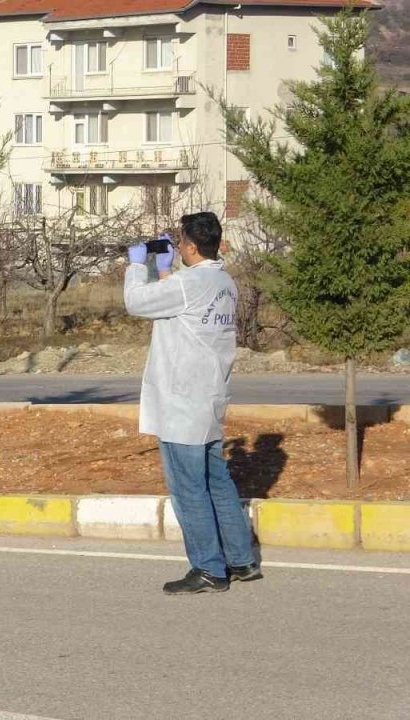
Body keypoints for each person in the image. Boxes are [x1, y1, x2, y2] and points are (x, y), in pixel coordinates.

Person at [124, 212, 261, 595]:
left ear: (191, 246)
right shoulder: (222, 281)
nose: (177, 245)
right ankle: (241, 560)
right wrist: (167, 273)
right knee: (217, 480)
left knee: (188, 488)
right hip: (208, 396)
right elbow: (182, 306)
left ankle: (208, 569)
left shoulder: (191, 283)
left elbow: (137, 302)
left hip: (182, 402)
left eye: (180, 240)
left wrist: (138, 265)